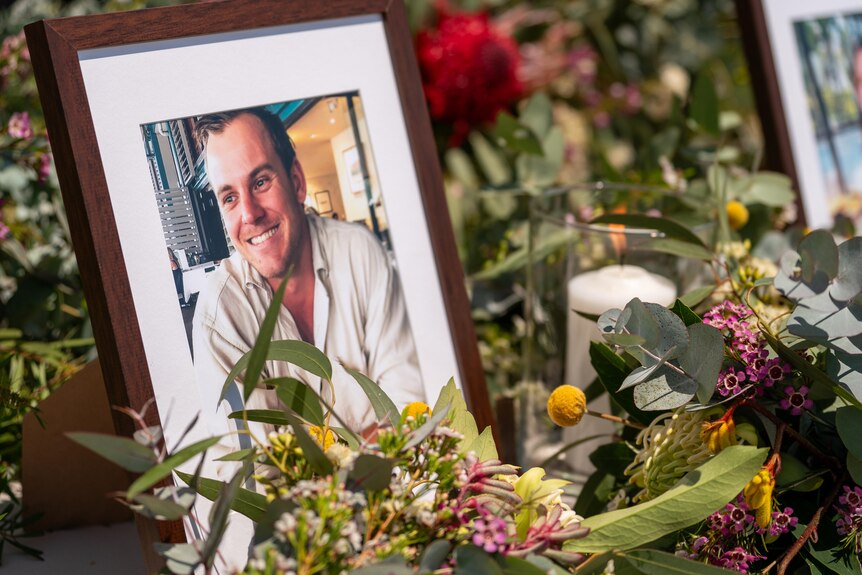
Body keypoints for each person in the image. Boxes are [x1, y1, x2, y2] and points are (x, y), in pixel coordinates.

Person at [191, 107, 425, 448]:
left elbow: (411, 408)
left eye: (260, 182)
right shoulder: (220, 315)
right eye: (229, 197)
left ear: (296, 182)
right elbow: (255, 476)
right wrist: (372, 442)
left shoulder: (358, 252)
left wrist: (322, 467)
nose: (250, 214)